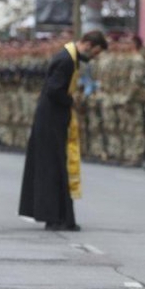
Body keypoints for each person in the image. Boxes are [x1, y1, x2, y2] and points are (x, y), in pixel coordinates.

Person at [18, 30, 107, 231]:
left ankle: (58, 216)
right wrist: (71, 100)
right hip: (51, 120)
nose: (93, 57)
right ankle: (55, 217)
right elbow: (54, 89)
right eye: (94, 53)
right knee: (53, 167)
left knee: (57, 167)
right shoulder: (66, 60)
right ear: (87, 44)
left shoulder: (69, 58)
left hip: (55, 119)